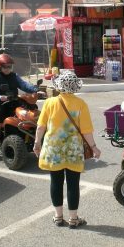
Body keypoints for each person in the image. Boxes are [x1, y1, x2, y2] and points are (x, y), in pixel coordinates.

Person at [33, 72, 101, 229]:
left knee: (55, 182)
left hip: (53, 149)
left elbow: (41, 126)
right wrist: (94, 147)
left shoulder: (50, 102)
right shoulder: (80, 104)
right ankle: (73, 218)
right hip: (73, 150)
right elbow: (86, 131)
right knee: (73, 184)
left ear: (58, 86)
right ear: (75, 87)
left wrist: (37, 143)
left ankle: (58, 216)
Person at [0, 53, 40, 147]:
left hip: (13, 99)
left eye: (9, 66)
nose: (7, 69)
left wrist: (36, 90)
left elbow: (24, 85)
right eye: (5, 67)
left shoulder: (14, 75)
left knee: (31, 108)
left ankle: (30, 130)